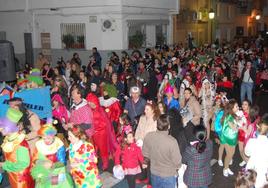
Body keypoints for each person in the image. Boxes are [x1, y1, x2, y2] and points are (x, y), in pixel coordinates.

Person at [142, 114, 182, 188]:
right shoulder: (172, 141)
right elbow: (177, 162)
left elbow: (145, 153)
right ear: (169, 126)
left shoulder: (149, 136)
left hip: (154, 173)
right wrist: (177, 168)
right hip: (168, 176)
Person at [0, 108, 34, 188]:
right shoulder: (9, 139)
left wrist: (3, 164)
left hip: (20, 178)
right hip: (13, 173)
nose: (1, 129)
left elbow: (24, 164)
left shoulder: (20, 144)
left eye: (3, 127)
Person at [86, 92, 118, 170]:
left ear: (95, 101)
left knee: (103, 149)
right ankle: (94, 162)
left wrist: (97, 128)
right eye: (89, 102)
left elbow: (105, 123)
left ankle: (105, 163)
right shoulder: (90, 110)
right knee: (94, 148)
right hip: (94, 133)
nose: (90, 104)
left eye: (91, 102)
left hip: (101, 133)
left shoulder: (100, 110)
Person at [245, 113, 268, 188]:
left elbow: (247, 153)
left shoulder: (252, 141)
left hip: (252, 172)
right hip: (264, 174)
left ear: (258, 127)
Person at [220, 99, 239, 177]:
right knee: (229, 154)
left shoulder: (234, 115)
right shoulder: (229, 117)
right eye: (236, 106)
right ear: (232, 108)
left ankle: (227, 167)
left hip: (233, 137)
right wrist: (239, 123)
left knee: (232, 153)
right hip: (227, 138)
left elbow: (236, 126)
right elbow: (234, 128)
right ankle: (225, 168)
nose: (238, 107)